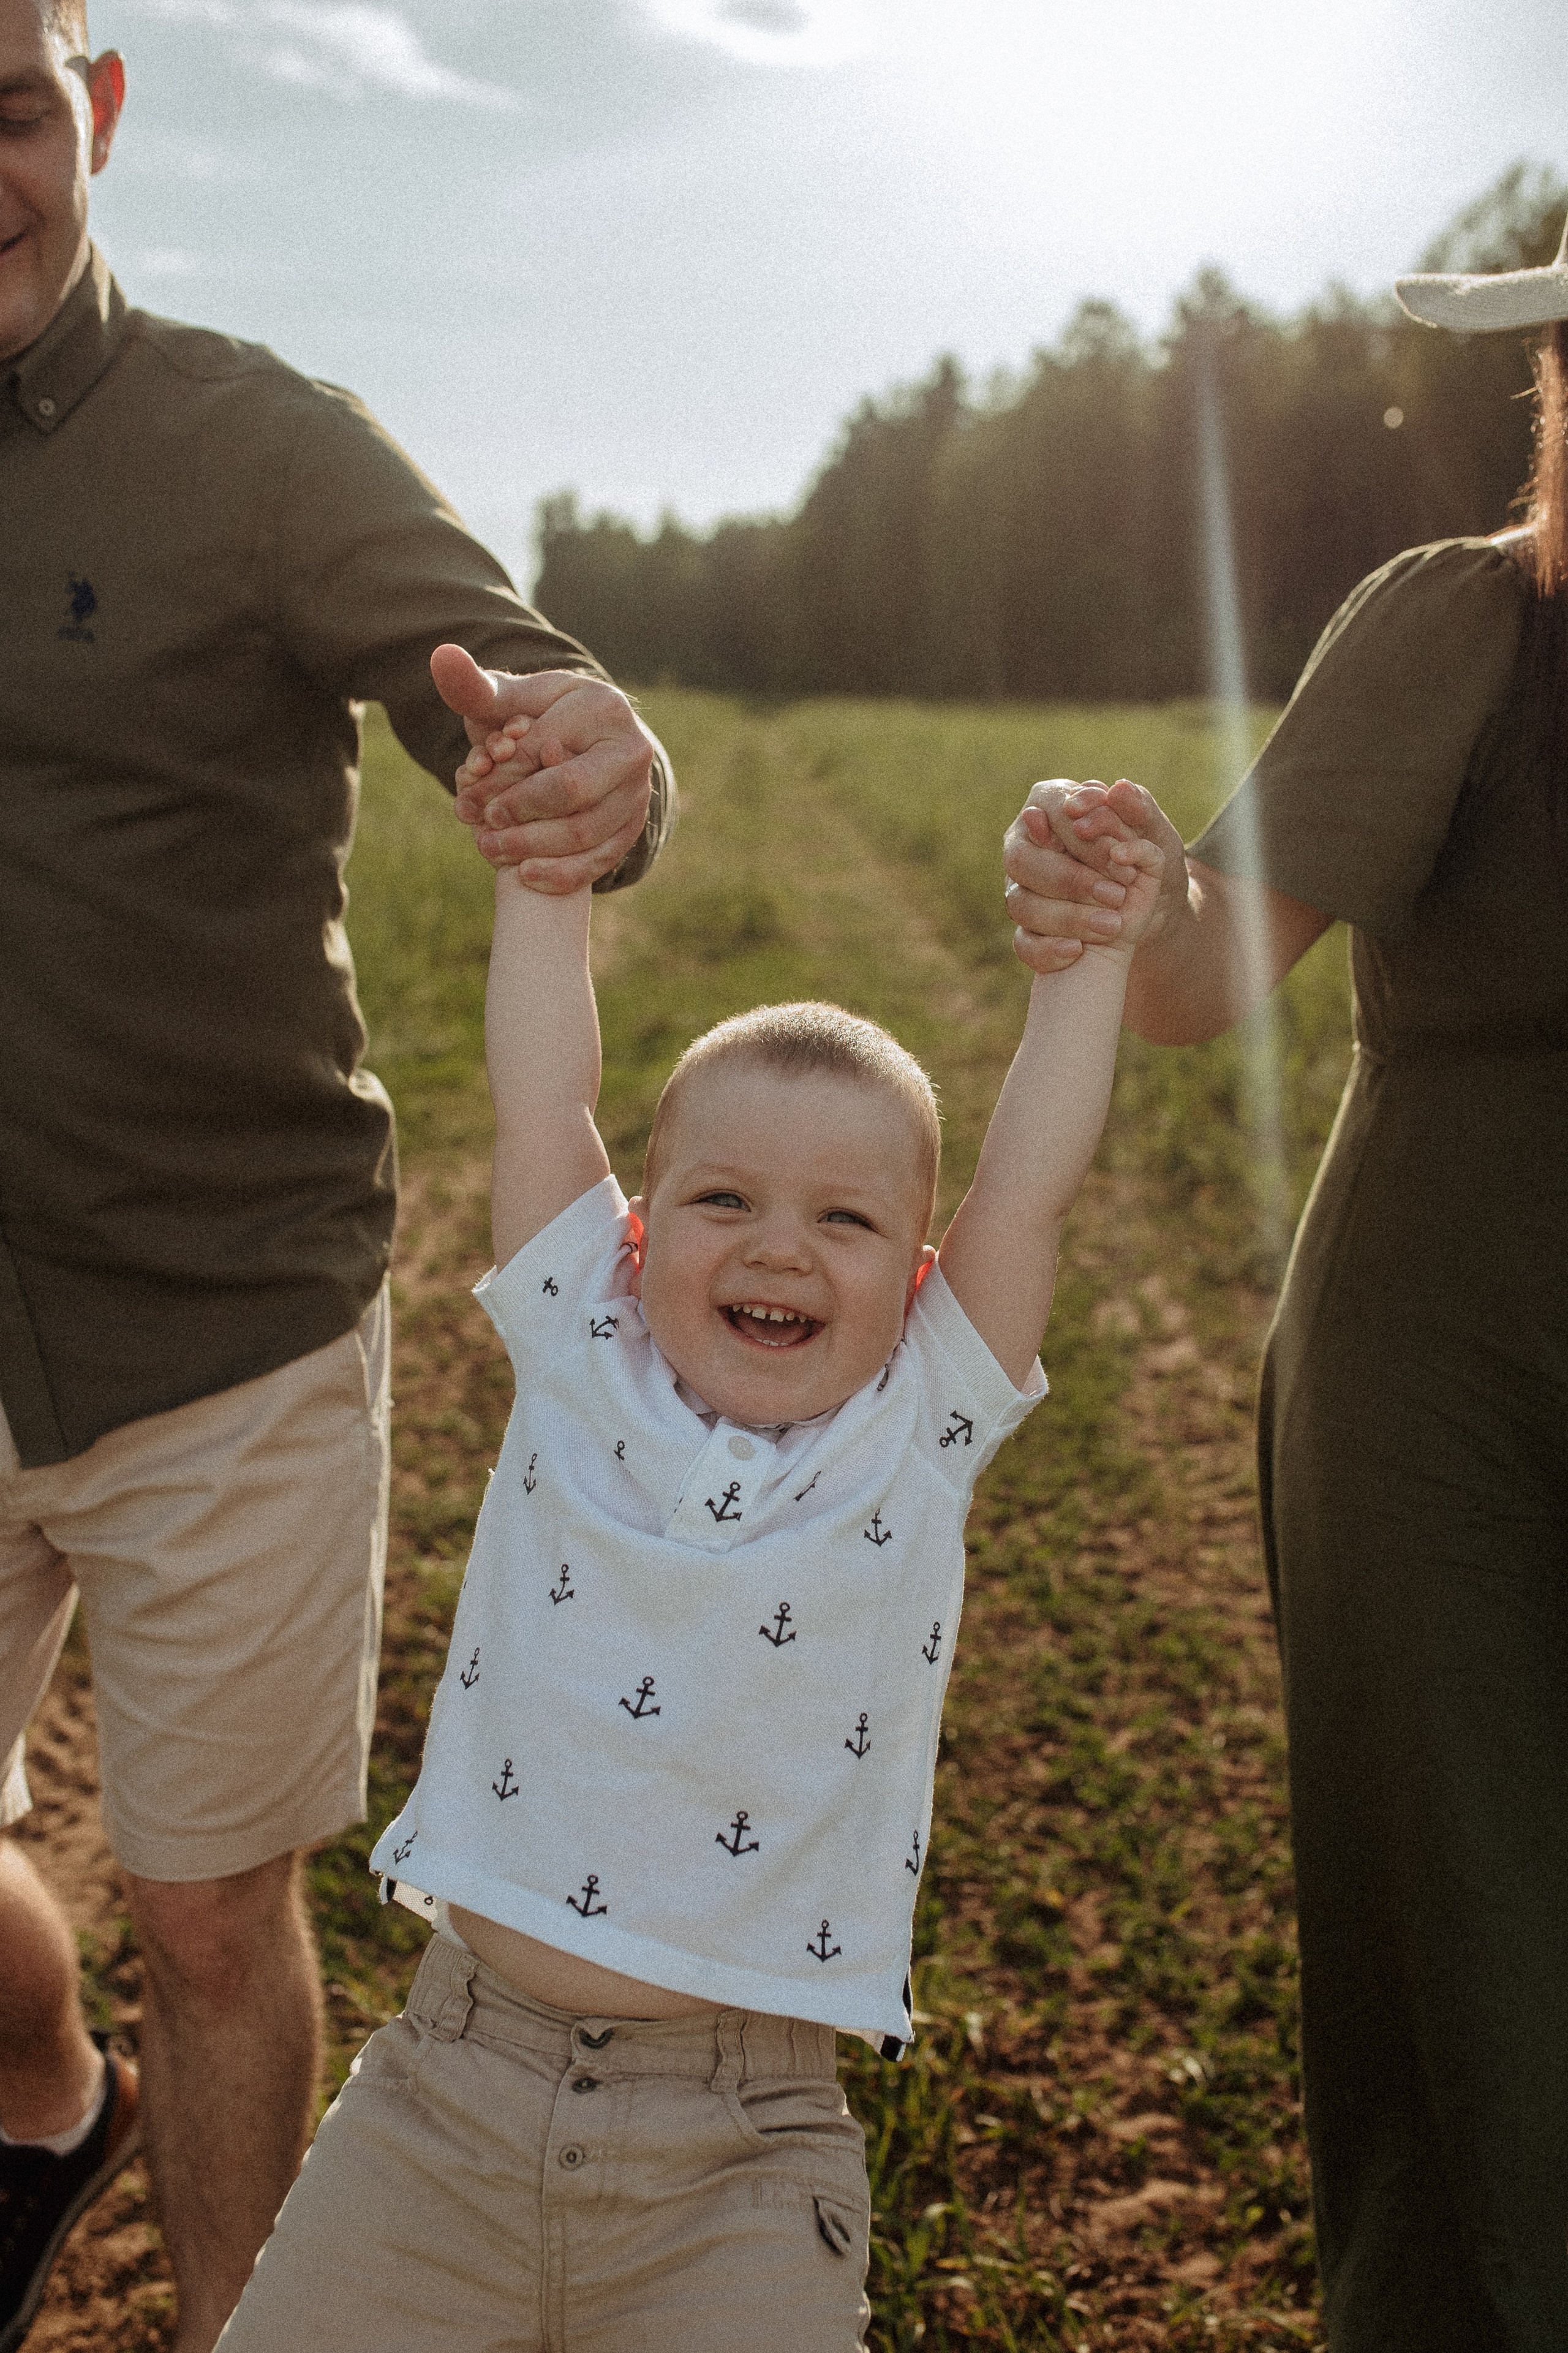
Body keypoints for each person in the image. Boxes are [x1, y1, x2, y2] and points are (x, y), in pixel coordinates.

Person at [204, 679, 1164, 2351]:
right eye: (723, 1198)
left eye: (845, 1218)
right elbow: (544, 1096)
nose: (780, 1247)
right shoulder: (583, 1351)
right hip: (443, 2096)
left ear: (921, 1280)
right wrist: (543, 873)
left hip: (740, 2151)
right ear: (636, 1240)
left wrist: (1086, 958)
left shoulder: (916, 1431)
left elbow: (1028, 1181)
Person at [0, 6, 673, 2349]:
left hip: (226, 1319)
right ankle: (31, 2091)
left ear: (90, 112)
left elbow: (513, 668)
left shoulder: (256, 445)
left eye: (1, 107)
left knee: (205, 1914)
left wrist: (588, 755)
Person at [1000, 222, 1568, 2353]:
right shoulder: (1468, 629)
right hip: (1455, 1350)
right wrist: (1121, 890)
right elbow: (1200, 976)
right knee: (1481, 1916)